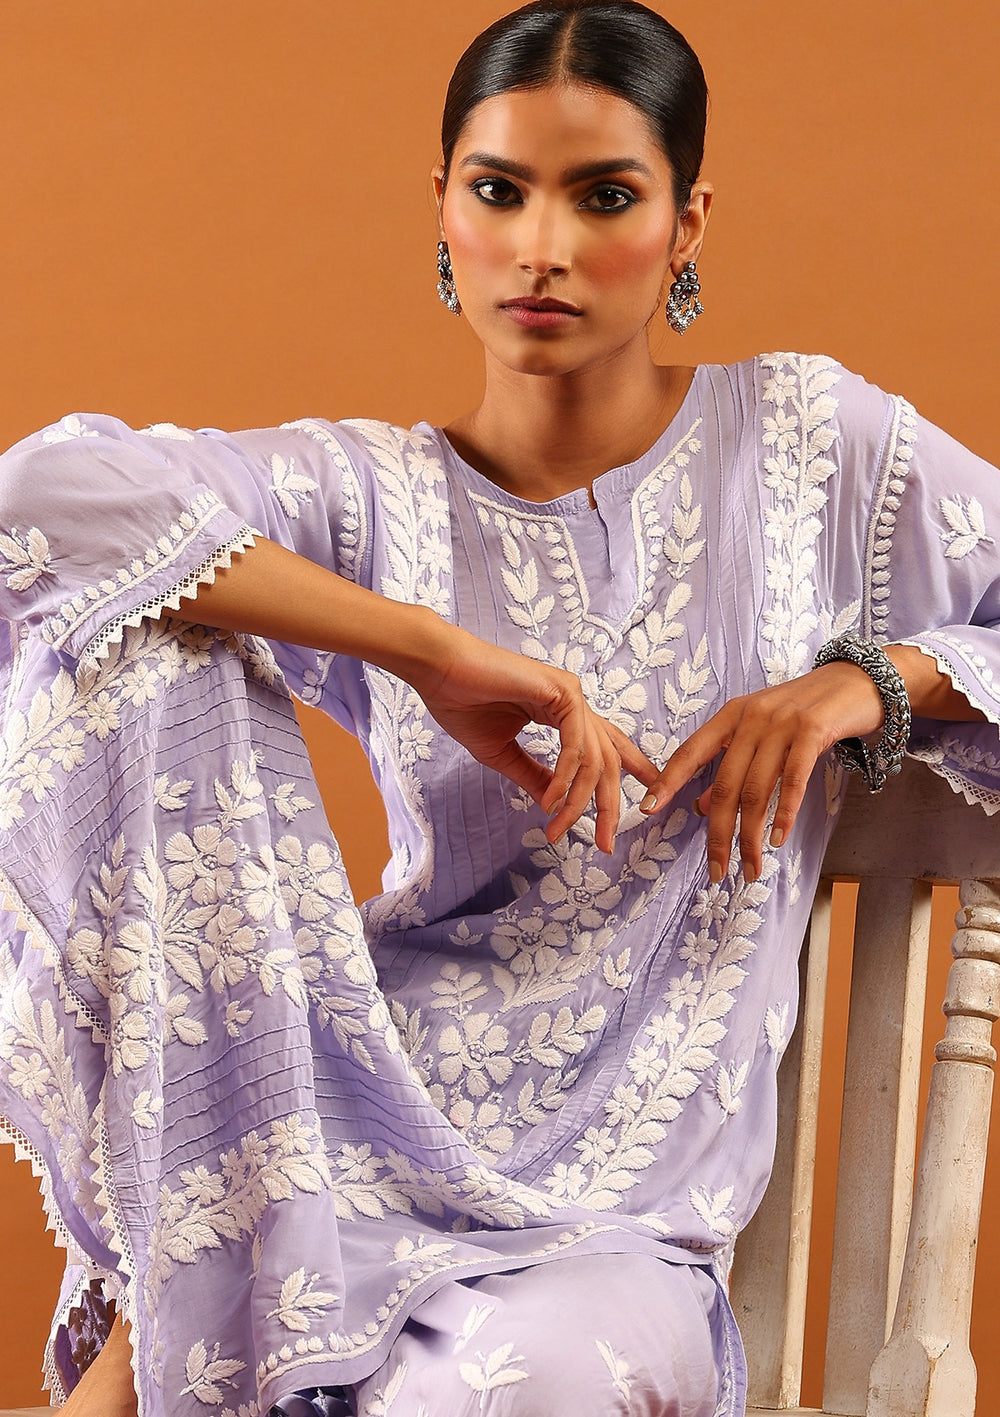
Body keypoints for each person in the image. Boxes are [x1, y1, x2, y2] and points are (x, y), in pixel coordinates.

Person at [1, 1, 998, 1414]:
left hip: (613, 1221)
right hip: (344, 1135)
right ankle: (198, 1274)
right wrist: (426, 651)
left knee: (500, 1388)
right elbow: (35, 502)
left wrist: (870, 680)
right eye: (500, 190)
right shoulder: (369, 498)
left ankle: (155, 1353)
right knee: (149, 635)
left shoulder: (811, 453)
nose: (543, 247)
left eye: (605, 198)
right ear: (443, 209)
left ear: (688, 222)